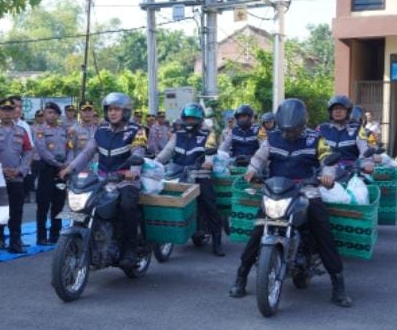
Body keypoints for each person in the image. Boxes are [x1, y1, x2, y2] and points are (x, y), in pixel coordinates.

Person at [229, 98, 353, 308]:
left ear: (302, 124)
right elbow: (260, 157)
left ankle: (338, 285)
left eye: (293, 129)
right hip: (276, 189)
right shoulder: (273, 137)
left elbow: (327, 158)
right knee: (258, 230)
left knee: (322, 229)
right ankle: (241, 278)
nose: (289, 133)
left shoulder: (316, 138)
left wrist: (328, 175)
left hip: (307, 189)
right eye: (285, 129)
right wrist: (251, 170)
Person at [59, 93, 147, 264]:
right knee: (83, 205)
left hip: (125, 181)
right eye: (109, 109)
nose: (112, 113)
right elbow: (87, 153)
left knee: (127, 206)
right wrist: (69, 168)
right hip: (102, 180)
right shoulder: (100, 130)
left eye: (117, 109)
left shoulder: (137, 131)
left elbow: (138, 152)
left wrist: (133, 171)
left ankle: (130, 249)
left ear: (126, 111)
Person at [155, 103, 223, 256]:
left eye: (193, 119)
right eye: (188, 118)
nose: (190, 121)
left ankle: (217, 242)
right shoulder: (177, 135)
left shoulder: (208, 134)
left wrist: (208, 162)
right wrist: (155, 163)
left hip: (200, 174)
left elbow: (210, 151)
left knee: (209, 203)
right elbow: (167, 152)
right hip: (178, 174)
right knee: (164, 198)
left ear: (200, 120)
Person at [0, 99, 34, 255]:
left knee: (16, 212)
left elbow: (29, 151)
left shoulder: (21, 131)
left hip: (16, 177)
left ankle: (15, 243)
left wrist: (21, 169)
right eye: (4, 109)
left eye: (10, 109)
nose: (7, 113)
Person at [33, 102, 69, 245]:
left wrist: (67, 164)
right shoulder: (40, 131)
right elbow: (42, 151)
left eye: (54, 113)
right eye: (48, 112)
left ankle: (55, 235)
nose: (51, 115)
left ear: (58, 115)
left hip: (61, 171)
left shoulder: (64, 130)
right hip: (47, 169)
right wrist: (58, 164)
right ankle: (41, 237)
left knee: (58, 203)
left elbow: (69, 148)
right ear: (44, 114)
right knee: (43, 204)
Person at [318, 95, 373, 173]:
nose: (338, 111)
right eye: (335, 109)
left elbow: (364, 149)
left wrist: (367, 163)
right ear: (330, 111)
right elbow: (314, 151)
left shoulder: (357, 129)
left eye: (341, 108)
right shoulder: (322, 129)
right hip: (327, 172)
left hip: (351, 172)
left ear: (348, 111)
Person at [66, 100, 99, 166]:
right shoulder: (73, 130)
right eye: (84, 111)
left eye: (89, 110)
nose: (87, 113)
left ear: (93, 112)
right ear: (80, 112)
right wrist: (70, 165)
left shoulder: (99, 130)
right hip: (80, 167)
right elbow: (70, 150)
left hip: (96, 168)